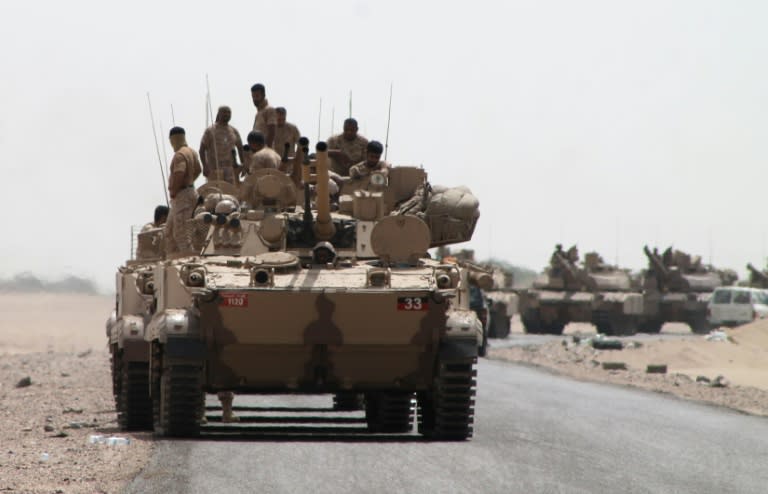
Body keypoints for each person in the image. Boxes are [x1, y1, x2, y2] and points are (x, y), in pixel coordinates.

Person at [165, 126, 202, 255]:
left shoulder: (179, 155)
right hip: (191, 192)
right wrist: (190, 180)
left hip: (181, 195)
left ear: (172, 140)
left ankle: (189, 261)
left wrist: (175, 189)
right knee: (169, 231)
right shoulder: (191, 152)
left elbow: (179, 172)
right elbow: (198, 170)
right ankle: (172, 257)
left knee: (181, 233)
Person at [199, 106, 245, 185]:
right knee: (216, 192)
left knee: (231, 194)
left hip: (230, 169)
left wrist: (244, 165)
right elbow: (202, 149)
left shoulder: (233, 131)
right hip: (215, 169)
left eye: (228, 112)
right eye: (224, 112)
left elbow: (240, 148)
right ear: (219, 114)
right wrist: (205, 166)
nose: (226, 114)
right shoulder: (210, 130)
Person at [251, 83, 277, 149]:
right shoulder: (259, 113)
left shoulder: (269, 110)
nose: (254, 99)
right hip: (257, 150)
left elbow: (272, 132)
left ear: (263, 95)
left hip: (265, 152)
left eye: (257, 96)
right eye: (253, 96)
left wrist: (267, 149)